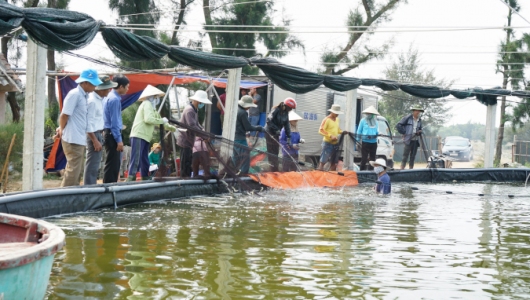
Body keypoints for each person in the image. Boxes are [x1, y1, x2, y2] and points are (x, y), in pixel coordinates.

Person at [57, 69, 102, 187]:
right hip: (72, 137)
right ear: (85, 83)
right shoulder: (75, 94)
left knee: (77, 170)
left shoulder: (85, 96)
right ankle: (64, 197)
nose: (95, 87)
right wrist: (61, 129)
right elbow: (64, 115)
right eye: (94, 84)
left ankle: (73, 195)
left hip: (79, 137)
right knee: (73, 171)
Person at [127, 85, 176, 181]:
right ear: (152, 96)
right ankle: (130, 177)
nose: (157, 99)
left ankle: (145, 176)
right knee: (136, 158)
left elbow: (160, 121)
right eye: (156, 97)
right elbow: (149, 119)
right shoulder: (146, 104)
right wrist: (162, 121)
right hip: (138, 135)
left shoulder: (153, 110)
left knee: (144, 158)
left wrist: (173, 128)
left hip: (145, 137)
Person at [83, 75, 117, 185]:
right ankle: (89, 187)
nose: (110, 90)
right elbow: (88, 123)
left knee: (95, 163)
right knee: (92, 163)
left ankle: (91, 185)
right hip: (93, 134)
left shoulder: (100, 100)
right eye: (108, 88)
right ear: (101, 89)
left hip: (98, 133)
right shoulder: (92, 101)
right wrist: (94, 140)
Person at [177, 90, 212, 177]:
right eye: (201, 102)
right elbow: (192, 126)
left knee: (188, 162)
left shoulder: (194, 109)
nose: (202, 103)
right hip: (185, 141)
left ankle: (186, 178)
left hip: (189, 141)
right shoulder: (190, 110)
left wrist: (203, 131)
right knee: (185, 163)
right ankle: (184, 181)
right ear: (197, 101)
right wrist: (204, 136)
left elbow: (197, 124)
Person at [103, 74, 130, 183]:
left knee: (112, 163)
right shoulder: (114, 100)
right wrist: (119, 140)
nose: (128, 89)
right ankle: (109, 187)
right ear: (121, 87)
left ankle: (109, 185)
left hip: (109, 132)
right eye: (127, 86)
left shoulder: (109, 97)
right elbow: (114, 123)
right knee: (113, 164)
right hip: (112, 134)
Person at [233, 95, 265, 174]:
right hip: (240, 139)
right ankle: (243, 176)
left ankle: (233, 175)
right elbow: (247, 127)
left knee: (236, 158)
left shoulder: (236, 110)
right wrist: (258, 128)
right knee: (245, 159)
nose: (249, 108)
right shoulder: (243, 113)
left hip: (234, 138)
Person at [265, 98, 296, 172]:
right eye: (290, 108)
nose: (291, 110)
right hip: (270, 132)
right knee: (271, 151)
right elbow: (268, 120)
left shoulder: (286, 113)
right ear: (286, 106)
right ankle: (272, 168)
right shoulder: (276, 110)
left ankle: (275, 168)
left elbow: (287, 126)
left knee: (276, 151)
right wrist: (276, 129)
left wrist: (289, 137)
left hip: (276, 133)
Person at [318, 104, 345, 171]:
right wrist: (330, 136)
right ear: (332, 112)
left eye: (338, 113)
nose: (337, 114)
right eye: (336, 113)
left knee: (334, 162)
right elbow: (321, 130)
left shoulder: (337, 120)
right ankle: (319, 175)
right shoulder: (326, 119)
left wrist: (342, 132)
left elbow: (337, 129)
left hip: (335, 144)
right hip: (327, 143)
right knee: (323, 161)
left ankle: (332, 177)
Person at [396, 105, 424, 170]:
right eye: (416, 110)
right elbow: (398, 125)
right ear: (413, 111)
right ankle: (402, 169)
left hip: (415, 140)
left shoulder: (419, 120)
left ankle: (411, 169)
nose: (418, 112)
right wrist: (404, 132)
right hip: (408, 140)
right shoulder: (407, 118)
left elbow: (420, 129)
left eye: (419, 111)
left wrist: (419, 132)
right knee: (405, 156)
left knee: (413, 156)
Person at [356, 105, 380, 171]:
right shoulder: (363, 121)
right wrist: (357, 140)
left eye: (371, 114)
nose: (369, 114)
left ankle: (371, 171)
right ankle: (361, 171)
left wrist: (377, 134)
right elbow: (359, 131)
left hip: (374, 142)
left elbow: (377, 131)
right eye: (368, 113)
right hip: (365, 142)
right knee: (364, 158)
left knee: (372, 158)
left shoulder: (376, 122)